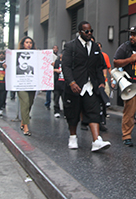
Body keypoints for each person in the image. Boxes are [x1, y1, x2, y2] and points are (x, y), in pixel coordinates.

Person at [62, 21, 111, 152]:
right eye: (86, 31)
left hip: (91, 86)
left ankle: (96, 141)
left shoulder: (95, 47)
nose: (90, 33)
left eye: (91, 31)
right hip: (75, 86)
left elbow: (99, 66)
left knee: (93, 112)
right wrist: (71, 82)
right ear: (80, 32)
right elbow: (65, 66)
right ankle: (72, 137)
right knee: (73, 113)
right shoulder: (70, 46)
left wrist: (101, 81)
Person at [17, 36, 37, 136]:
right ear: (23, 44)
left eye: (30, 43)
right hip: (21, 85)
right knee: (25, 102)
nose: (28, 44)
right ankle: (26, 127)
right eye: (26, 42)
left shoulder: (36, 55)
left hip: (32, 84)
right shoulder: (16, 55)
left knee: (30, 103)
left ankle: (23, 122)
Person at [45, 45, 59, 110]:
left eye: (56, 48)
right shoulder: (50, 56)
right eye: (54, 48)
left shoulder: (58, 57)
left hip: (56, 76)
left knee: (56, 91)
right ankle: (48, 103)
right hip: (50, 75)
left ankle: (56, 104)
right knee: (49, 90)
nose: (55, 49)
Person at [53, 52, 64, 118]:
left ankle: (65, 112)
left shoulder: (67, 62)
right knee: (56, 98)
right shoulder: (56, 62)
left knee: (64, 98)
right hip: (57, 82)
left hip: (64, 83)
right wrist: (55, 70)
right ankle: (56, 111)